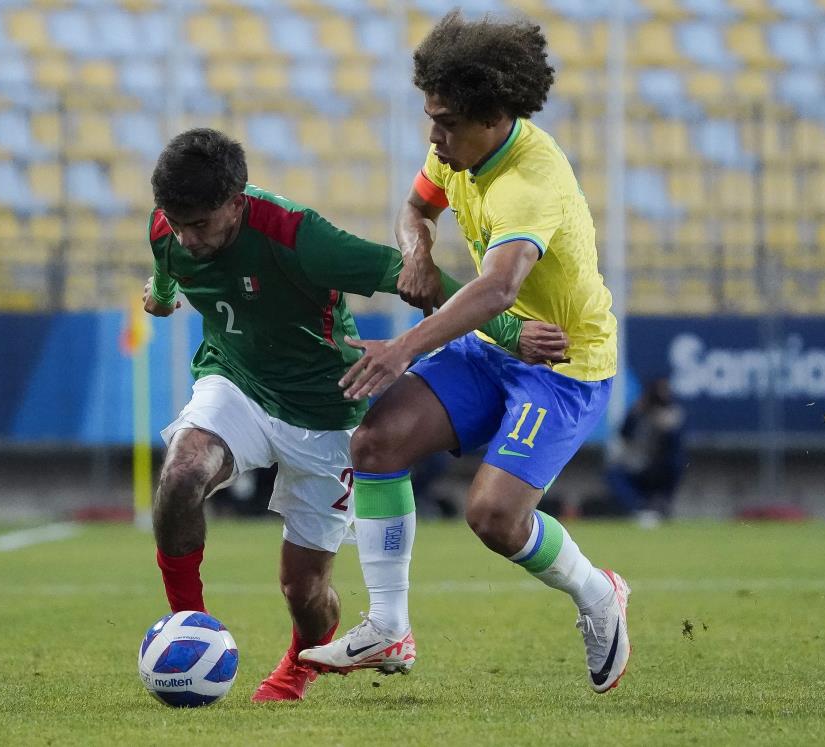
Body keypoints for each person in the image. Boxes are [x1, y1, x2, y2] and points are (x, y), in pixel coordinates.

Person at [143, 127, 567, 703]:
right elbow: (170, 268)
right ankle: (188, 627)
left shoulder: (300, 238)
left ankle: (299, 661)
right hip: (236, 383)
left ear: (236, 203)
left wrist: (511, 330)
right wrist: (163, 297)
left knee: (304, 588)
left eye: (201, 225)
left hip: (327, 412)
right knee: (180, 474)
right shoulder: (168, 229)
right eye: (177, 223)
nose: (187, 239)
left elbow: (416, 278)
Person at [301, 11, 632, 693]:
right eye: (431, 117)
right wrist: (417, 247)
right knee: (376, 442)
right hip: (491, 352)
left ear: (493, 116)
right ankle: (388, 625)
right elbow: (414, 208)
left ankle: (597, 592)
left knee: (493, 516)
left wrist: (402, 349)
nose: (433, 135)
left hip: (562, 368)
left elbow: (498, 289)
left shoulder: (529, 182)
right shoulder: (457, 150)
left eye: (445, 122)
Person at [604, 377, 686, 522]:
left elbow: (676, 445)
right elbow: (624, 433)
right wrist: (637, 412)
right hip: (638, 464)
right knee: (613, 472)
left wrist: (667, 427)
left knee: (677, 462)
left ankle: (662, 504)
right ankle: (638, 508)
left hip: (661, 467)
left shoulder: (673, 414)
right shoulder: (639, 411)